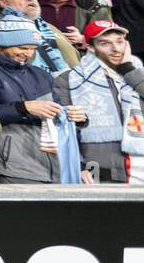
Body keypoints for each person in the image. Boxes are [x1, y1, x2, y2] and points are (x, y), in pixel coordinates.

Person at [0, 10, 87, 184]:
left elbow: (57, 113)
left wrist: (75, 117)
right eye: (23, 48)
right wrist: (23, 107)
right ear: (3, 44)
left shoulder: (40, 74)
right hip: (11, 166)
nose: (28, 54)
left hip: (53, 166)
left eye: (33, 49)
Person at [54, 20, 144, 184]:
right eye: (105, 43)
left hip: (140, 165)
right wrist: (79, 165)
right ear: (90, 47)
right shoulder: (69, 80)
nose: (116, 49)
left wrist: (129, 71)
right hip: (99, 168)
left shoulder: (138, 74)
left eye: (120, 41)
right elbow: (64, 130)